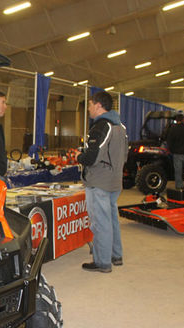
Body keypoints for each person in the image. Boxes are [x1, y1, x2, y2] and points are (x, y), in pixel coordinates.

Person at [77, 91, 128, 273]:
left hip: (99, 182)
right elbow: (125, 155)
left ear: (98, 106)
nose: (89, 109)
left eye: (90, 105)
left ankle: (102, 261)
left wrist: (79, 156)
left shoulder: (101, 126)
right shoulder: (120, 126)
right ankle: (116, 255)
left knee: (100, 222)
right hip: (114, 181)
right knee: (112, 219)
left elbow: (92, 157)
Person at [166, 113, 184, 189]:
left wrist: (171, 150)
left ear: (176, 120)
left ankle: (179, 186)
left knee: (178, 171)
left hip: (177, 153)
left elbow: (169, 141)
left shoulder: (173, 128)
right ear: (183, 120)